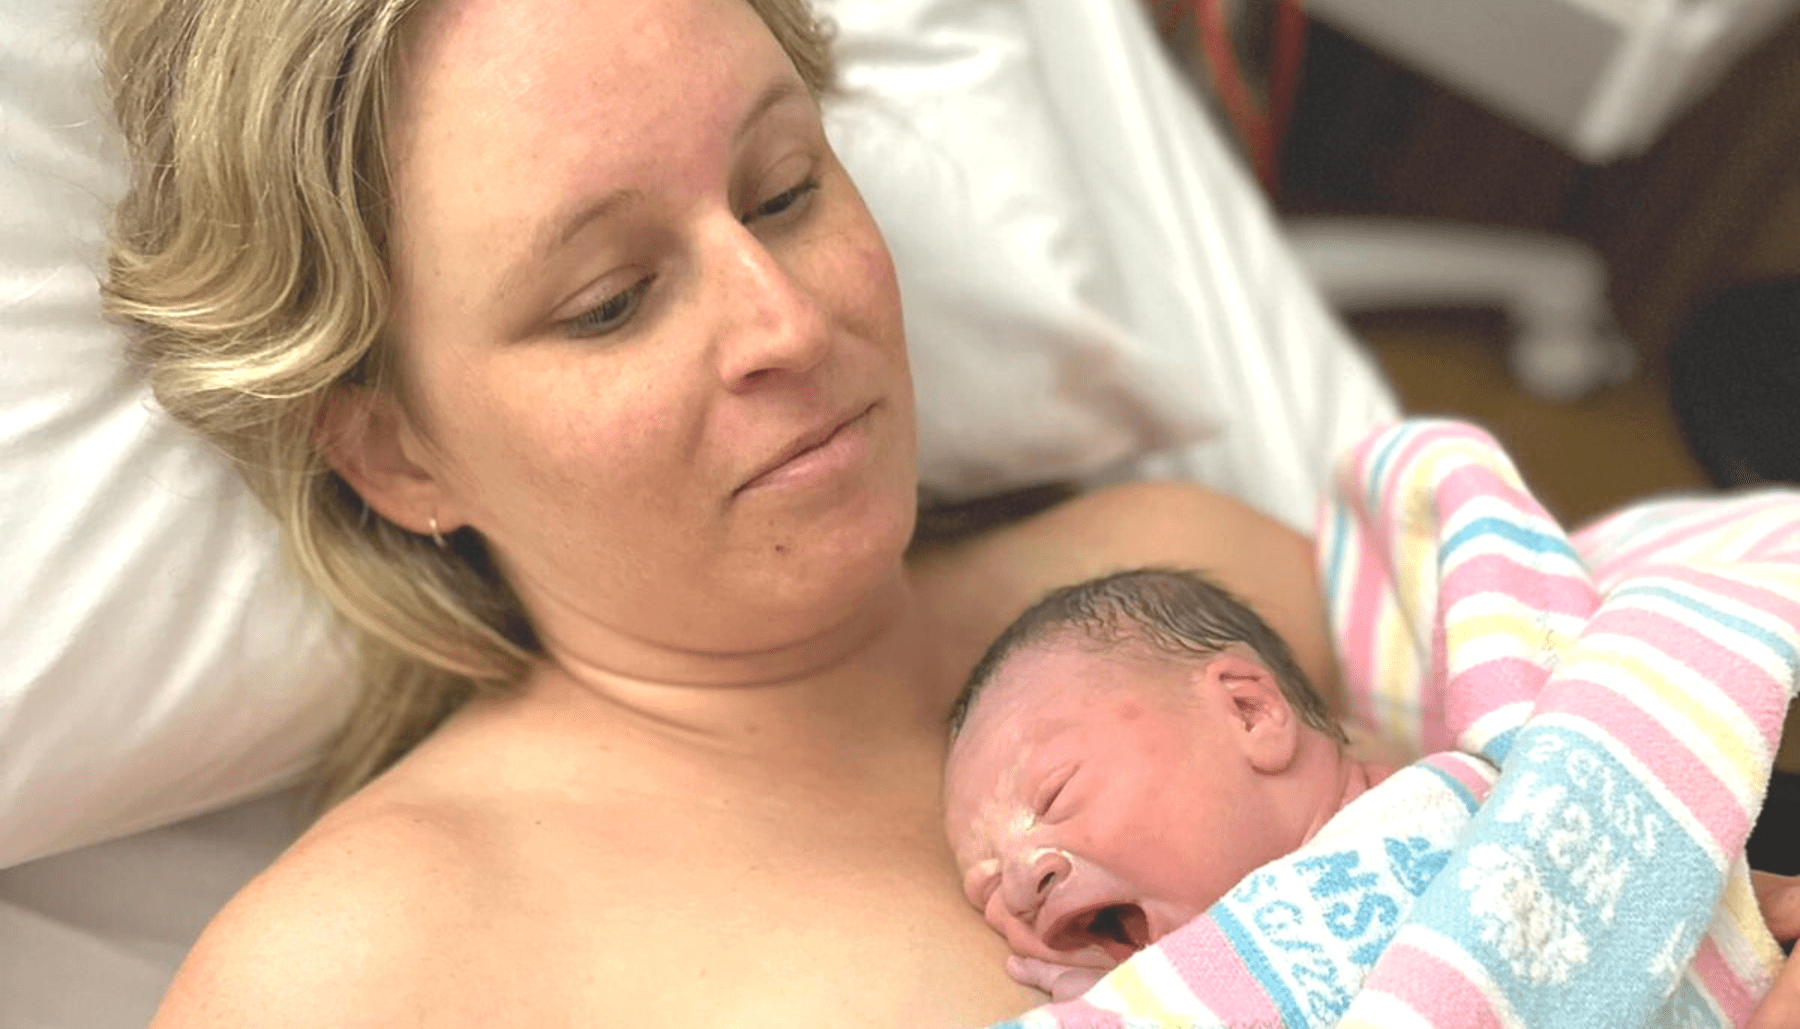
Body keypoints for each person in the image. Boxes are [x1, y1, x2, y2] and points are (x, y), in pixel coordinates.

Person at [97, 1, 1343, 1026]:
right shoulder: (363, 976)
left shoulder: (1204, 597)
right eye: (609, 302)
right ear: (395, 454)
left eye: (784, 191)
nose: (787, 324)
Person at [944, 568, 1800, 1024]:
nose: (1022, 877)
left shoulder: (1474, 810)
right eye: (988, 891)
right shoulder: (1191, 976)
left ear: (1250, 712)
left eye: (1055, 793)